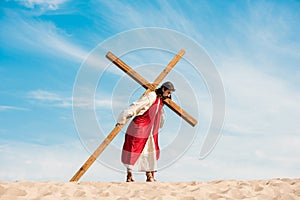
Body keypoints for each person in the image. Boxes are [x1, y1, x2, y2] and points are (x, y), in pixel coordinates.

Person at [116, 81, 175, 182]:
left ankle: (149, 176)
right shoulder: (152, 96)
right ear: (163, 89)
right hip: (140, 126)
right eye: (168, 92)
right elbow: (138, 104)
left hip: (150, 130)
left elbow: (160, 116)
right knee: (134, 149)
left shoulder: (160, 101)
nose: (169, 95)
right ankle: (129, 175)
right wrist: (126, 114)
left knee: (150, 152)